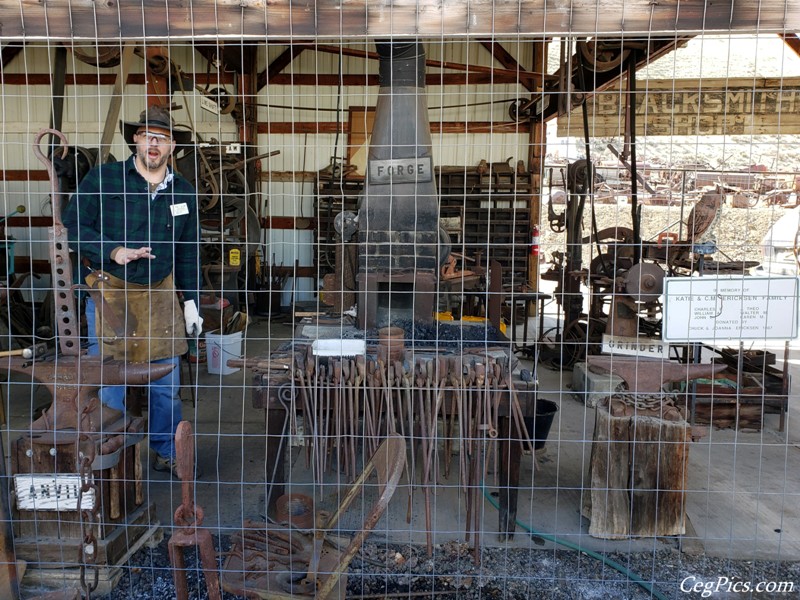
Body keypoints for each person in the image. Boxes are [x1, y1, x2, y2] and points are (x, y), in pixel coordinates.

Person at [63, 106, 203, 478]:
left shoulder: (184, 192)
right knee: (111, 384)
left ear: (172, 146)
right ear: (136, 140)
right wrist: (113, 250)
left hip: (160, 295)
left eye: (162, 137)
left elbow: (188, 252)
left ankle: (163, 449)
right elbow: (73, 226)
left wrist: (191, 303)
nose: (154, 142)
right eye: (147, 135)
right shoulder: (104, 179)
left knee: (164, 385)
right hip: (110, 294)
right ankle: (113, 454)